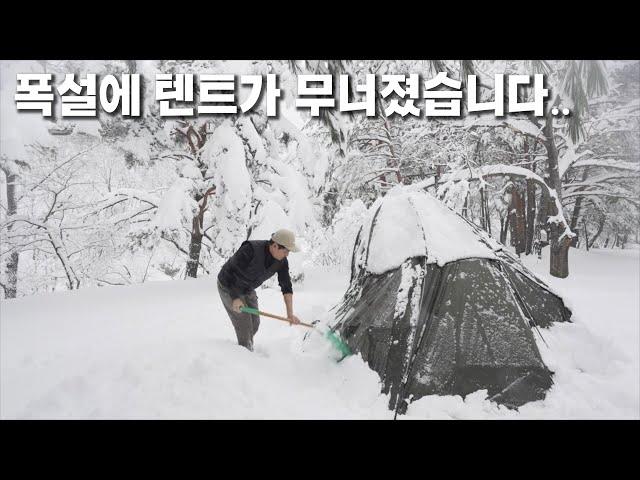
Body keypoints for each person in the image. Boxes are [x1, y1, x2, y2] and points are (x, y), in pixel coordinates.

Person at [217, 229, 301, 351]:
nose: (287, 254)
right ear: (275, 246)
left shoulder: (281, 261)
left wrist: (290, 314)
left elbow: (286, 286)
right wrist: (235, 298)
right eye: (286, 250)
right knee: (245, 325)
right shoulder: (250, 250)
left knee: (254, 324)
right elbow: (231, 273)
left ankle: (244, 347)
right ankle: (244, 356)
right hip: (228, 286)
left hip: (247, 288)